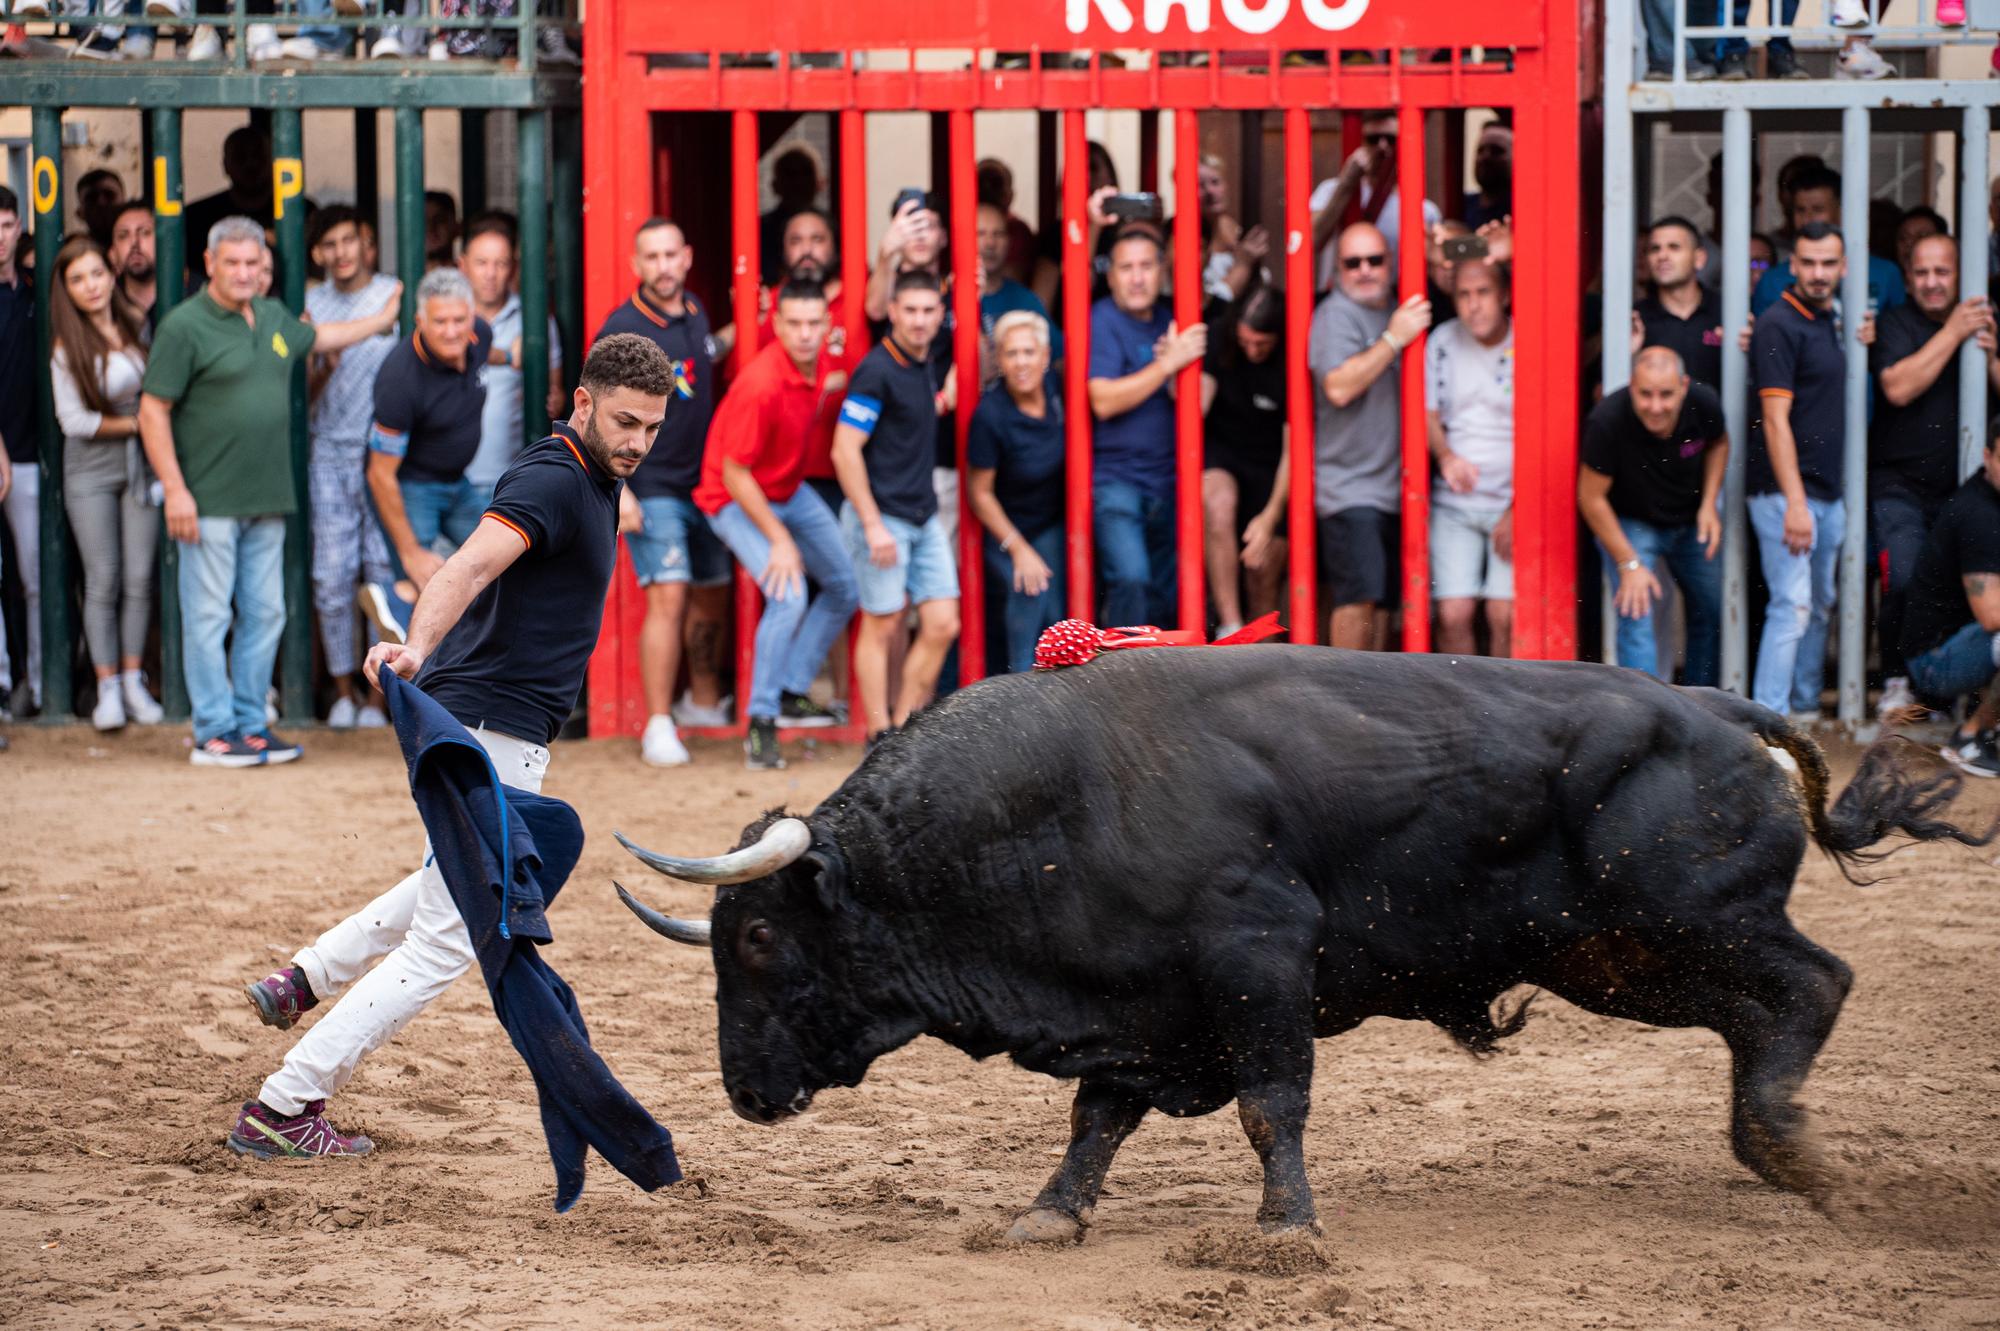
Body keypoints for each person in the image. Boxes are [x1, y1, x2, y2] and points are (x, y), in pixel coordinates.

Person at [229, 333, 675, 1159]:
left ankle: (305, 977)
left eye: (652, 428)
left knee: (449, 884)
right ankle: (284, 1105)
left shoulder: (589, 473)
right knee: (453, 935)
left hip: (495, 727)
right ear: (581, 402)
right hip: (491, 734)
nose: (638, 443)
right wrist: (415, 647)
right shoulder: (553, 477)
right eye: (624, 422)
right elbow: (467, 568)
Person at [139, 217, 398, 766]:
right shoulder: (184, 326)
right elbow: (152, 411)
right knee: (209, 616)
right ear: (209, 264)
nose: (243, 272)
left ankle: (251, 725)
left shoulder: (275, 315)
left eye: (253, 263)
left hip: (268, 497)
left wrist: (383, 317)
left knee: (266, 613)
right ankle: (212, 730)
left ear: (266, 267)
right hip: (206, 499)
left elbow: (321, 337)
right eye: (231, 262)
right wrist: (175, 490)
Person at [695, 279, 859, 770]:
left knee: (845, 586)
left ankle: (789, 690)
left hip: (787, 488)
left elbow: (828, 381)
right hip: (731, 496)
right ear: (778, 325)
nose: (806, 333)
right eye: (795, 324)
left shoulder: (821, 363)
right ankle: (762, 722)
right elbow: (733, 473)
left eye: (815, 323)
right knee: (788, 594)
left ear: (826, 325)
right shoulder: (760, 383)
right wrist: (780, 539)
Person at [594, 217, 734, 766]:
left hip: (709, 486)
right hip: (651, 486)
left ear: (688, 256)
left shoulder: (696, 311)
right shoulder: (624, 326)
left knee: (711, 594)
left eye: (671, 254)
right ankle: (657, 723)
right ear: (637, 265)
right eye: (651, 257)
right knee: (669, 597)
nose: (663, 266)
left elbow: (706, 355)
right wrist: (617, 487)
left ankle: (701, 702)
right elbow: (595, 410)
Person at [1869, 234, 2000, 717]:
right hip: (1898, 484)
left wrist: (1986, 357)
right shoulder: (1896, 324)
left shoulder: (1989, 321)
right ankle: (1896, 680)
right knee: (1902, 577)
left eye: (1941, 272)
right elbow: (1898, 388)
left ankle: (1942, 697)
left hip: (1961, 487)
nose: (1931, 282)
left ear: (1960, 273)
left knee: (1956, 588)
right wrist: (1954, 332)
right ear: (1908, 278)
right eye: (1921, 273)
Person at [833, 270, 961, 746]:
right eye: (910, 310)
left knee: (943, 623)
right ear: (892, 313)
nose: (920, 320)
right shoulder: (876, 369)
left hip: (921, 516)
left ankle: (903, 730)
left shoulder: (922, 362)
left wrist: (946, 395)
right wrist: (872, 526)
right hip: (881, 517)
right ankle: (878, 733)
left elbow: (916, 414)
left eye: (929, 311)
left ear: (940, 316)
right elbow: (844, 450)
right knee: (882, 624)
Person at [47, 236, 163, 733]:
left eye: (96, 273)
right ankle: (107, 687)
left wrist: (146, 426)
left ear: (111, 274)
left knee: (139, 577)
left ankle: (134, 680)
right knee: (104, 577)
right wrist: (139, 423)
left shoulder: (137, 324)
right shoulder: (64, 344)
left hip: (141, 464)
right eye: (77, 279)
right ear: (66, 290)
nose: (90, 286)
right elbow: (72, 421)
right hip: (91, 468)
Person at [304, 205, 402, 730]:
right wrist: (324, 370)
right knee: (331, 576)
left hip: (384, 457)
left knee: (381, 575)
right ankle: (342, 690)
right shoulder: (309, 303)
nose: (340, 253)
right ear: (318, 252)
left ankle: (377, 699)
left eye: (349, 240)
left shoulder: (394, 293)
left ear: (367, 243)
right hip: (327, 453)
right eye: (329, 244)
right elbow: (301, 392)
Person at [1747, 222, 1849, 722]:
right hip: (1786, 492)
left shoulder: (1831, 319)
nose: (1818, 273)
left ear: (1843, 267)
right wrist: (1794, 501)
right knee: (1792, 605)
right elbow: (1774, 420)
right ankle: (1771, 719)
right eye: (1808, 262)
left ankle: (1805, 710)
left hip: (1826, 491)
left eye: (1828, 263)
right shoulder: (1778, 323)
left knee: (1820, 602)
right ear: (1793, 266)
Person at [1309, 221, 1428, 651]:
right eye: (1352, 262)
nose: (1364, 270)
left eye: (1374, 260)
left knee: (1380, 607)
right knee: (1358, 599)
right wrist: (1396, 337)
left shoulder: (1393, 310)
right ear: (1337, 269)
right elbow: (1338, 387)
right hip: (1349, 489)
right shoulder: (1335, 315)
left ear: (1391, 263)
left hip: (1394, 490)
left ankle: (1367, 702)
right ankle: (1345, 701)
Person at [1579, 347, 1728, 685]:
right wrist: (1627, 562)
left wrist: (1709, 503)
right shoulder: (1607, 420)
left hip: (1690, 521)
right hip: (1632, 521)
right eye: (1645, 394)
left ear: (1684, 386)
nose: (1655, 406)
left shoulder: (1703, 403)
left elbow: (1720, 443)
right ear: (1632, 386)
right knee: (1636, 610)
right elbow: (1590, 497)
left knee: (1712, 607)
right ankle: (1646, 715)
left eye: (1666, 394)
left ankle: (1701, 705)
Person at [367, 268, 495, 600]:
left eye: (459, 320)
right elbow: (380, 475)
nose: (452, 332)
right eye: (440, 322)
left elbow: (484, 354)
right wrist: (410, 552)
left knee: (501, 558)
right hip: (412, 486)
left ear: (472, 316)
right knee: (421, 585)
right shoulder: (399, 380)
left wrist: (511, 357)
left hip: (457, 483)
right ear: (420, 320)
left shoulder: (479, 335)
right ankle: (390, 605)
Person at [1427, 259, 1517, 659]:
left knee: (1505, 614)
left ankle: (1504, 708)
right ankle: (1465, 707)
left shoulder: (1526, 338)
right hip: (1455, 503)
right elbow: (1425, 411)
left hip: (1512, 502)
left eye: (1483, 293)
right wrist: (1445, 455)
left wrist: (1521, 506)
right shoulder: (1442, 341)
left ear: (1504, 296)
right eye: (1463, 295)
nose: (1473, 305)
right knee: (1453, 613)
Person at [968, 310, 1066, 674]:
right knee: (1030, 589)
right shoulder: (990, 416)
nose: (1021, 362)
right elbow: (979, 494)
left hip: (1050, 523)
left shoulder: (1057, 390)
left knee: (1059, 615)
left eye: (1029, 352)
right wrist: (1019, 549)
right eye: (1011, 353)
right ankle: (1017, 691)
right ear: (999, 360)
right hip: (1006, 529)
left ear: (1044, 357)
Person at [1900, 423, 2000, 777]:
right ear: (1987, 456)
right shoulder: (1980, 516)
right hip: (1934, 662)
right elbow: (1991, 615)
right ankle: (1972, 739)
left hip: (1964, 644)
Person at [758, 207, 865, 516]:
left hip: (844, 469)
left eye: (817, 239)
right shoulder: (769, 306)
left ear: (835, 245)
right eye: (796, 240)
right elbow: (746, 380)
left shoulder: (857, 296)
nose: (807, 249)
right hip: (777, 475)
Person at [1199, 285, 1288, 639]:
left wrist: (1270, 518)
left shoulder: (1292, 355)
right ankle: (1230, 627)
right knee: (1218, 504)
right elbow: (1195, 410)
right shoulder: (1220, 333)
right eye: (1245, 341)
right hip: (1223, 452)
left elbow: (1294, 449)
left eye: (1261, 345)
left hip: (1272, 467)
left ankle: (1258, 647)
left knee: (1261, 567)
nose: (1251, 350)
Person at [459, 212, 563, 511]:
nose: (490, 273)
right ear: (463, 266)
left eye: (501, 264)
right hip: (451, 481)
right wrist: (508, 356)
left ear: (513, 269)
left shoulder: (535, 321)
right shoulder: (447, 318)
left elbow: (555, 399)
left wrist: (551, 397)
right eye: (481, 263)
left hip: (513, 478)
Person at [1310, 111, 1442, 287]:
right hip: (1340, 298)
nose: (1382, 146)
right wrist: (1346, 185)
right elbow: (1310, 242)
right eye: (1373, 139)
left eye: (1390, 139)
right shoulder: (1330, 190)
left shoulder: (1424, 210)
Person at [1751, 166, 1904, 318]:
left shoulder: (1886, 273)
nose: (1807, 219)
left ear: (1841, 212)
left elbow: (1898, 334)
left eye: (1817, 209)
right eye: (1800, 210)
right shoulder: (1772, 281)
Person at [0, 185, 39, 720]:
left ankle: (38, 678)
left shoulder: (33, 290)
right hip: (7, 451)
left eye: (6, 224)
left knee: (35, 577)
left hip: (32, 455)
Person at [1635, 215, 1724, 392]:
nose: (1662, 256)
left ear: (1699, 258)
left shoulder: (1725, 312)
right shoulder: (1636, 319)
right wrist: (1629, 355)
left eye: (1674, 247)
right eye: (1654, 249)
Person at [976, 201, 1062, 376]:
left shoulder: (1024, 299)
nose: (990, 243)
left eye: (998, 234)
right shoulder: (944, 297)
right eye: (980, 233)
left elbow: (1060, 358)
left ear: (1009, 242)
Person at [760, 145, 824, 285]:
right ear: (775, 185)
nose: (798, 182)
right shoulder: (761, 231)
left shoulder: (834, 227)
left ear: (820, 183)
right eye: (790, 174)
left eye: (805, 173)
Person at [107, 201, 157, 330]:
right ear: (112, 252)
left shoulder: (195, 293)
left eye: (145, 232)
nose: (134, 242)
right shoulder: (105, 302)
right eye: (123, 236)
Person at [1464, 122, 1512, 229]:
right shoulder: (1461, 205)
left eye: (1496, 151)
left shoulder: (1519, 209)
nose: (1485, 157)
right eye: (1480, 150)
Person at [75, 169, 125, 251]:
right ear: (80, 213)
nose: (101, 203)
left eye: (109, 195)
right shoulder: (75, 255)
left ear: (125, 205)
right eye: (91, 198)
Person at [423, 190, 459, 271]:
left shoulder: (469, 281)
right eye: (423, 221)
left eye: (439, 220)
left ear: (457, 227)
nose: (430, 227)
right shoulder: (396, 282)